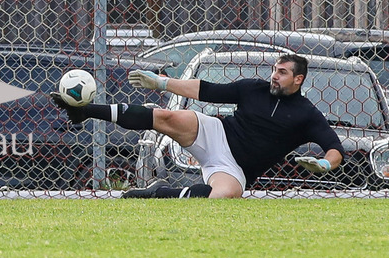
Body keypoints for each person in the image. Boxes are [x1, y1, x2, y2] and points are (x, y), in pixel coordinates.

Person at [51, 54, 345, 198]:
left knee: (225, 196)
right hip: (217, 135)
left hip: (235, 169)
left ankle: (156, 193)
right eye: (274, 70)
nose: (274, 76)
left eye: (282, 72)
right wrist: (163, 82)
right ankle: (86, 111)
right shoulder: (253, 88)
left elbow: (335, 149)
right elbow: (206, 90)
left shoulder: (307, 114)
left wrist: (324, 164)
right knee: (168, 118)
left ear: (298, 79)